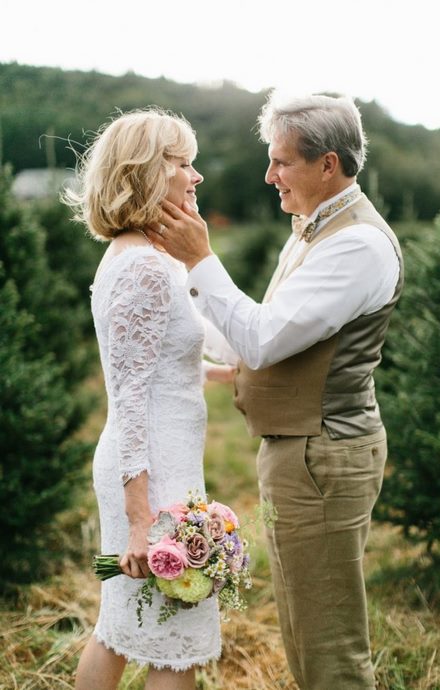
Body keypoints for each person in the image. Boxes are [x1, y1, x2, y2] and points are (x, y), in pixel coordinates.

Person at [148, 91, 404, 690]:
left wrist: (201, 261)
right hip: (299, 455)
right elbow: (254, 342)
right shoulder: (311, 232)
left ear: (328, 164)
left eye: (281, 161)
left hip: (323, 458)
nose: (269, 176)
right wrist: (179, 305)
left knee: (330, 648)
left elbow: (261, 339)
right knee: (302, 632)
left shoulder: (356, 245)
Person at [62, 108, 225, 690]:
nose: (195, 176)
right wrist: (139, 520)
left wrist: (222, 374)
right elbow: (129, 397)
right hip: (150, 476)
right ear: (146, 174)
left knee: (125, 626)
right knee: (171, 644)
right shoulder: (147, 269)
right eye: (183, 163)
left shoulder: (142, 257)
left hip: (161, 464)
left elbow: (154, 368)